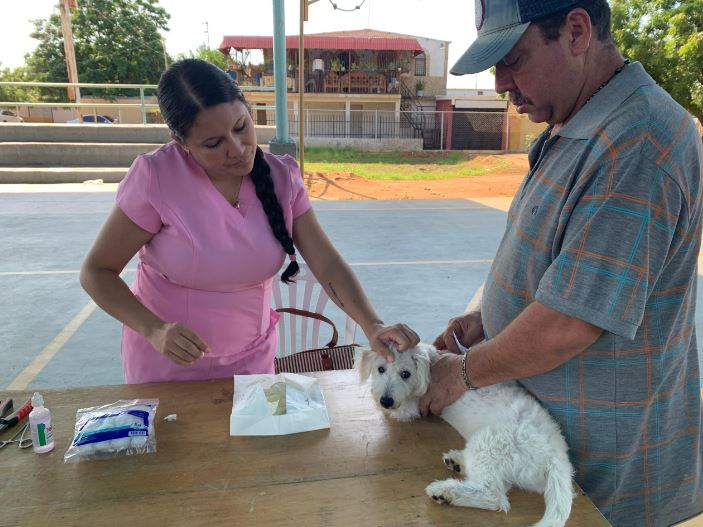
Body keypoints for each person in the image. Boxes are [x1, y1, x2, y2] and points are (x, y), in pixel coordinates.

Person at [419, 1, 703, 526]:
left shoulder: (637, 141)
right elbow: (554, 261)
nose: (501, 82)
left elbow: (569, 323)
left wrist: (461, 372)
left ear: (576, 31)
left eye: (514, 58)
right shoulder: (571, 122)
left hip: (606, 474)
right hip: (539, 442)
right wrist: (488, 319)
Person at [80, 58, 419, 384]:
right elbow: (97, 271)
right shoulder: (157, 178)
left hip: (251, 361)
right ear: (180, 143)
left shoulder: (281, 176)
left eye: (241, 127)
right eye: (213, 143)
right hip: (168, 364)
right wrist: (153, 329)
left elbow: (327, 263)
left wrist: (372, 325)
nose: (237, 148)